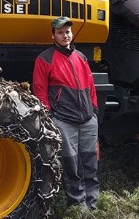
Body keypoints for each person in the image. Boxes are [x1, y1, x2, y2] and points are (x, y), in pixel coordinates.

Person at [32, 16, 99, 211]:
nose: (65, 36)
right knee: (71, 166)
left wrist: (94, 111)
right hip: (64, 121)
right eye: (60, 32)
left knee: (90, 164)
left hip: (87, 120)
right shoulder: (44, 59)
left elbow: (91, 86)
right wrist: (51, 119)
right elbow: (40, 91)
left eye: (68, 32)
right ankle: (78, 207)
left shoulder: (81, 57)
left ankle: (93, 205)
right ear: (53, 35)